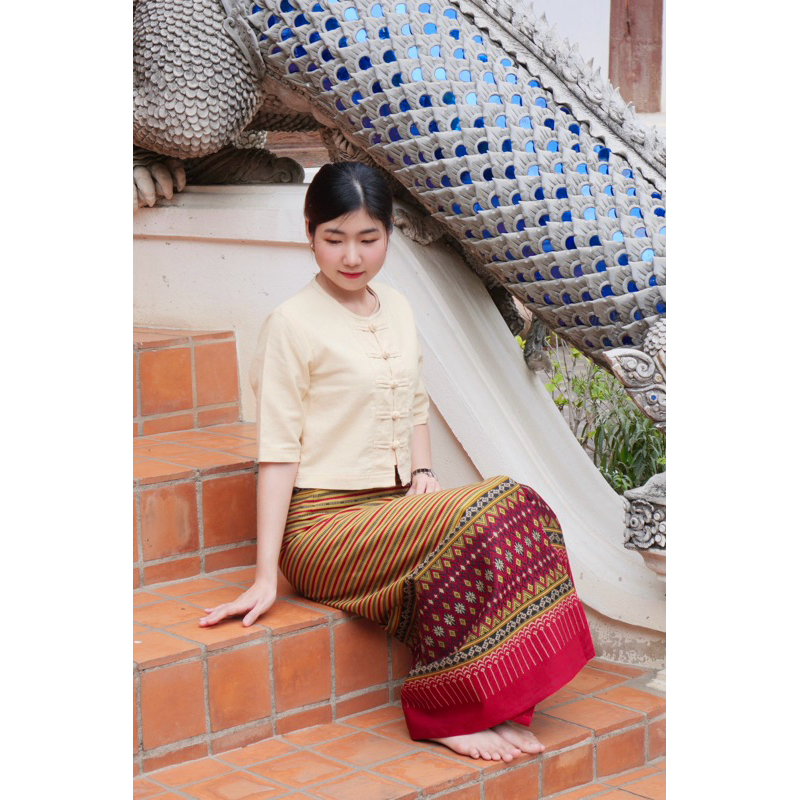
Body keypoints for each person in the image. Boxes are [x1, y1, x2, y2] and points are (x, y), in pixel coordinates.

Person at [198, 161, 595, 762]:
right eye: (334, 238)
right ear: (309, 233)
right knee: (494, 504)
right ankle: (445, 714)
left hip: (389, 511)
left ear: (388, 234)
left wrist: (424, 474)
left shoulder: (400, 308)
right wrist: (264, 575)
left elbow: (414, 403)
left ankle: (497, 704)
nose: (351, 256)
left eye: (368, 238)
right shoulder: (291, 324)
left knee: (517, 507)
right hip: (323, 530)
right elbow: (277, 454)